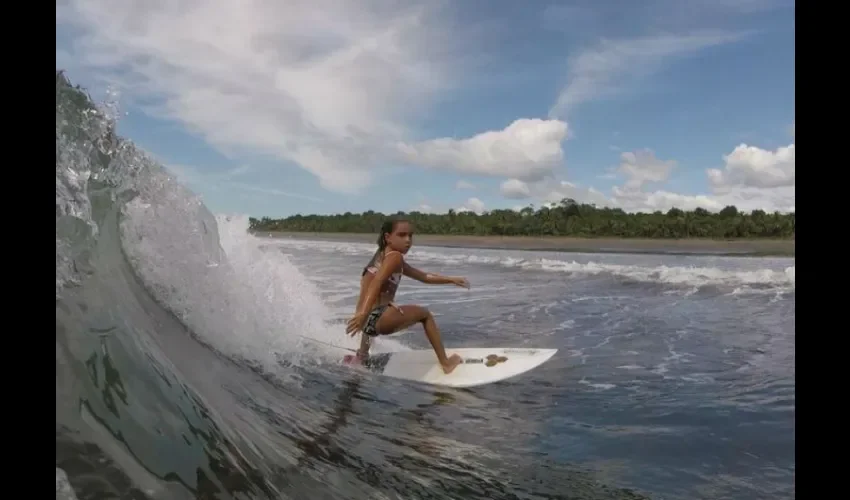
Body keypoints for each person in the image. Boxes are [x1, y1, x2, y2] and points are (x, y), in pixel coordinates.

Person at [345, 218, 470, 374]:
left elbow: (423, 277)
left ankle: (362, 356)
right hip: (377, 318)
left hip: (367, 324)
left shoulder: (381, 257)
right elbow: (376, 283)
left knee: (384, 310)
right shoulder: (395, 257)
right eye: (402, 235)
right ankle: (446, 363)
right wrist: (364, 313)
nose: (408, 240)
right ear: (387, 237)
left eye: (410, 235)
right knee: (425, 315)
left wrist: (450, 279)